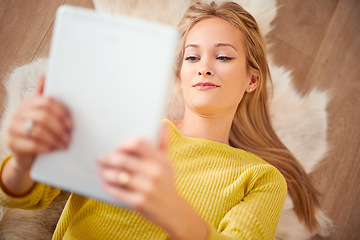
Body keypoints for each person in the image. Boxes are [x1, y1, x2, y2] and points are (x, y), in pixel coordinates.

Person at [0, 1, 320, 239]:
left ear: (252, 79)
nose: (204, 67)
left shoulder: (262, 179)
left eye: (223, 56)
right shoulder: (126, 126)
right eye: (192, 56)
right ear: (180, 74)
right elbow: (26, 195)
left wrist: (171, 209)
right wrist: (23, 161)